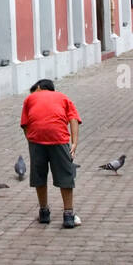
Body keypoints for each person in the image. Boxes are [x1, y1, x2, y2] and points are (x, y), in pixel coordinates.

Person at [20, 78, 83, 228]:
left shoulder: (30, 98)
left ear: (40, 87)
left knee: (39, 175)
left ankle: (44, 213)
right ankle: (68, 215)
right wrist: (74, 142)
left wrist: (31, 140)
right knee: (66, 175)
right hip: (59, 139)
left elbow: (24, 125)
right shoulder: (63, 97)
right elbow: (73, 118)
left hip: (36, 140)